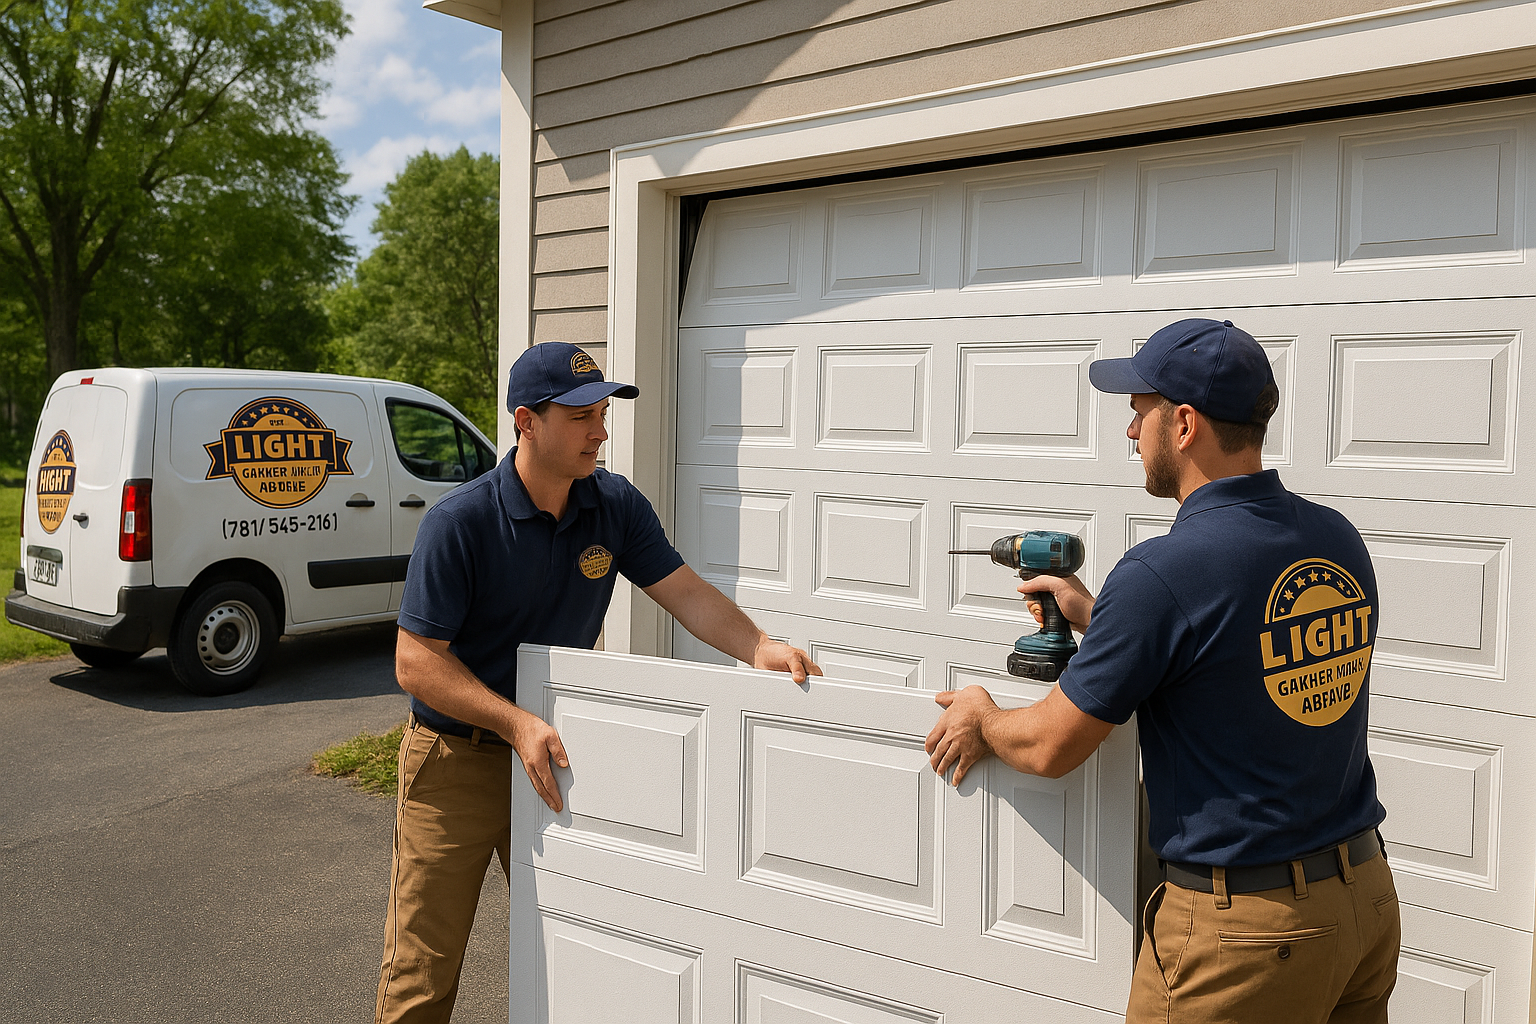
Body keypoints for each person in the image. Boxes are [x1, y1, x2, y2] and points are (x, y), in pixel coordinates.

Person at [926, 318, 1398, 1023]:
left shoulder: (1164, 572)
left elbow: (1053, 746)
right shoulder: (1333, 537)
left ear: (1182, 424)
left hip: (1246, 938)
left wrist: (982, 716)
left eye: (1137, 412)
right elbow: (1246, 650)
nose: (1129, 433)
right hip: (1364, 900)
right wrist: (1102, 617)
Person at [376, 342, 821, 1024]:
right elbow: (417, 662)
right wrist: (514, 721)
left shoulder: (612, 505)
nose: (601, 430)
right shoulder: (458, 523)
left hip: (554, 759)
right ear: (526, 421)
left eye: (603, 410)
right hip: (456, 765)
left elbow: (685, 592)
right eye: (582, 413)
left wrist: (758, 645)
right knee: (424, 969)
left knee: (579, 941)